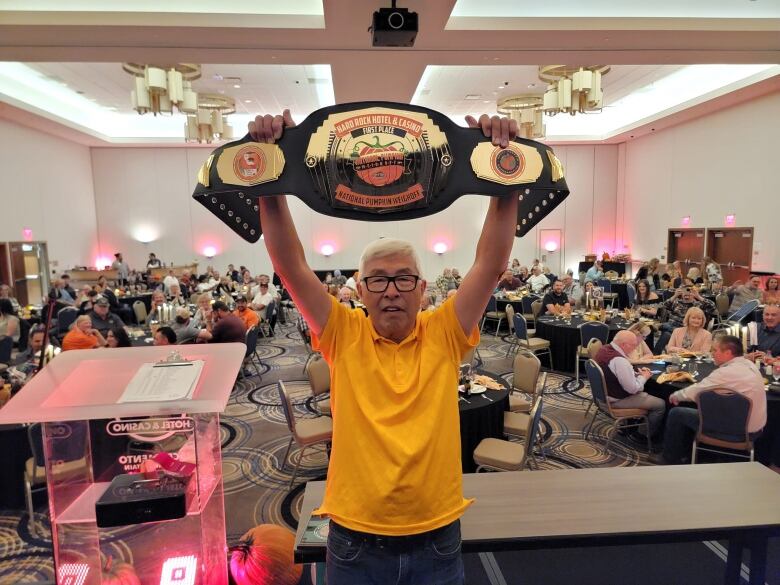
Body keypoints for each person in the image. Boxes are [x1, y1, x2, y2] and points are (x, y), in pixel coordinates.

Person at [249, 108, 518, 585]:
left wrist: (506, 172)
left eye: (402, 279)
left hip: (436, 535)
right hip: (355, 539)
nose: (391, 290)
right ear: (360, 288)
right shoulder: (342, 333)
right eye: (378, 279)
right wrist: (270, 176)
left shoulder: (444, 331)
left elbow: (490, 263)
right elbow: (290, 267)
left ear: (422, 288)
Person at [651, 335, 766, 465]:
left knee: (676, 413)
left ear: (728, 353)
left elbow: (698, 390)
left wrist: (676, 395)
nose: (712, 354)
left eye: (715, 350)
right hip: (754, 428)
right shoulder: (749, 365)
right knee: (702, 408)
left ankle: (670, 458)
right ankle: (689, 455)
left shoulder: (727, 372)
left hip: (739, 430)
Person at [593, 330, 666, 437]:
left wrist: (634, 374)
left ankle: (632, 425)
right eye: (633, 345)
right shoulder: (620, 360)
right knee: (660, 404)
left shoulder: (604, 349)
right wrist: (643, 377)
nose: (635, 348)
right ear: (624, 344)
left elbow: (614, 374)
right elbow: (633, 389)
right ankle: (642, 435)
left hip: (601, 396)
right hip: (615, 400)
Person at [655, 286, 716, 353]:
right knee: (665, 332)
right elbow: (662, 306)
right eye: (684, 291)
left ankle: (661, 327)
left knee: (666, 332)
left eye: (689, 291)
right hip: (673, 329)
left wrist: (698, 296)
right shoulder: (676, 302)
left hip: (685, 328)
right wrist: (675, 296)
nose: (686, 293)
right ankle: (655, 354)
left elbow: (712, 307)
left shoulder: (698, 305)